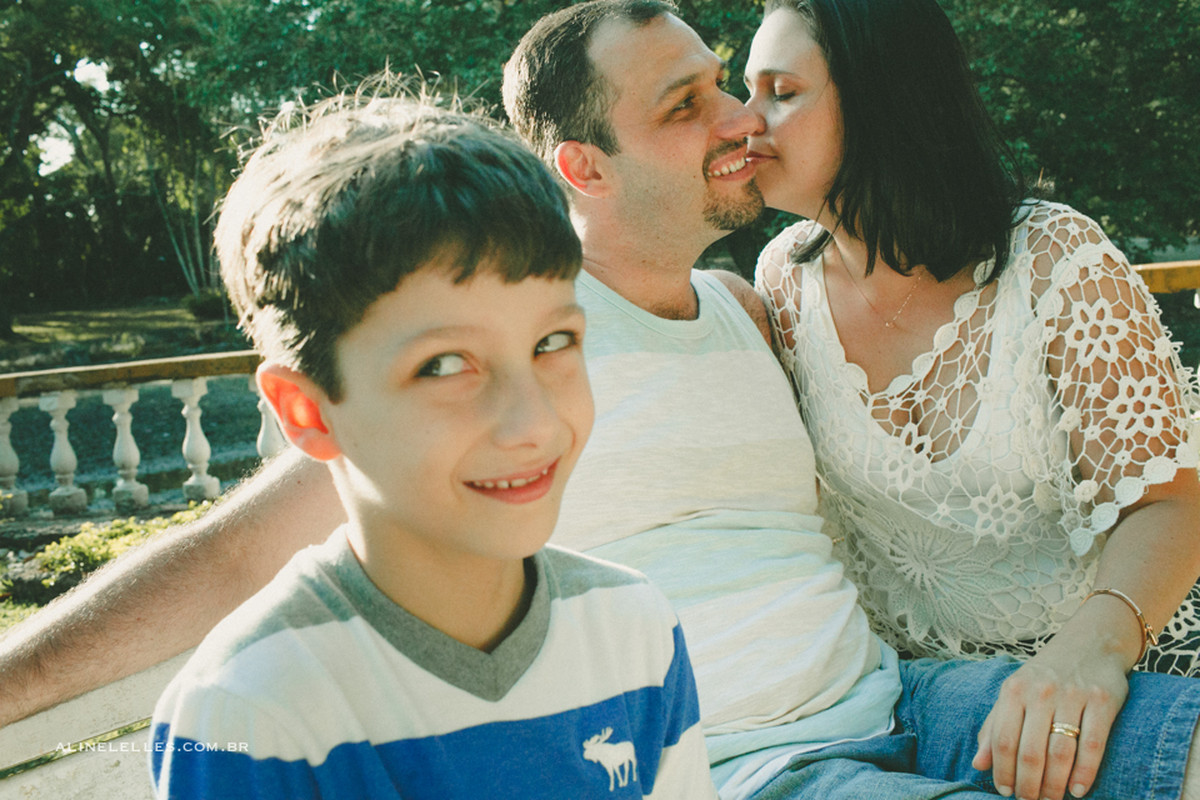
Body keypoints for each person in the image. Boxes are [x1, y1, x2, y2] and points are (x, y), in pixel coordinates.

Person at [2, 3, 1199, 800]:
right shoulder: (517, 340)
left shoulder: (754, 304)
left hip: (906, 698)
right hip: (739, 761)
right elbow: (246, 549)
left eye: (732, 88)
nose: (739, 123)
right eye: (687, 107)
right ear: (580, 165)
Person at [149, 86, 716, 799]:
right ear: (308, 411)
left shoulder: (635, 631)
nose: (533, 423)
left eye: (552, 342)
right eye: (445, 365)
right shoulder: (245, 709)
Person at [745, 0, 1200, 796]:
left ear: (883, 97)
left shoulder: (1054, 258)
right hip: (917, 708)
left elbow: (1171, 500)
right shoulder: (780, 282)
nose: (743, 122)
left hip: (1122, 662)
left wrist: (1090, 649)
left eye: (780, 91)